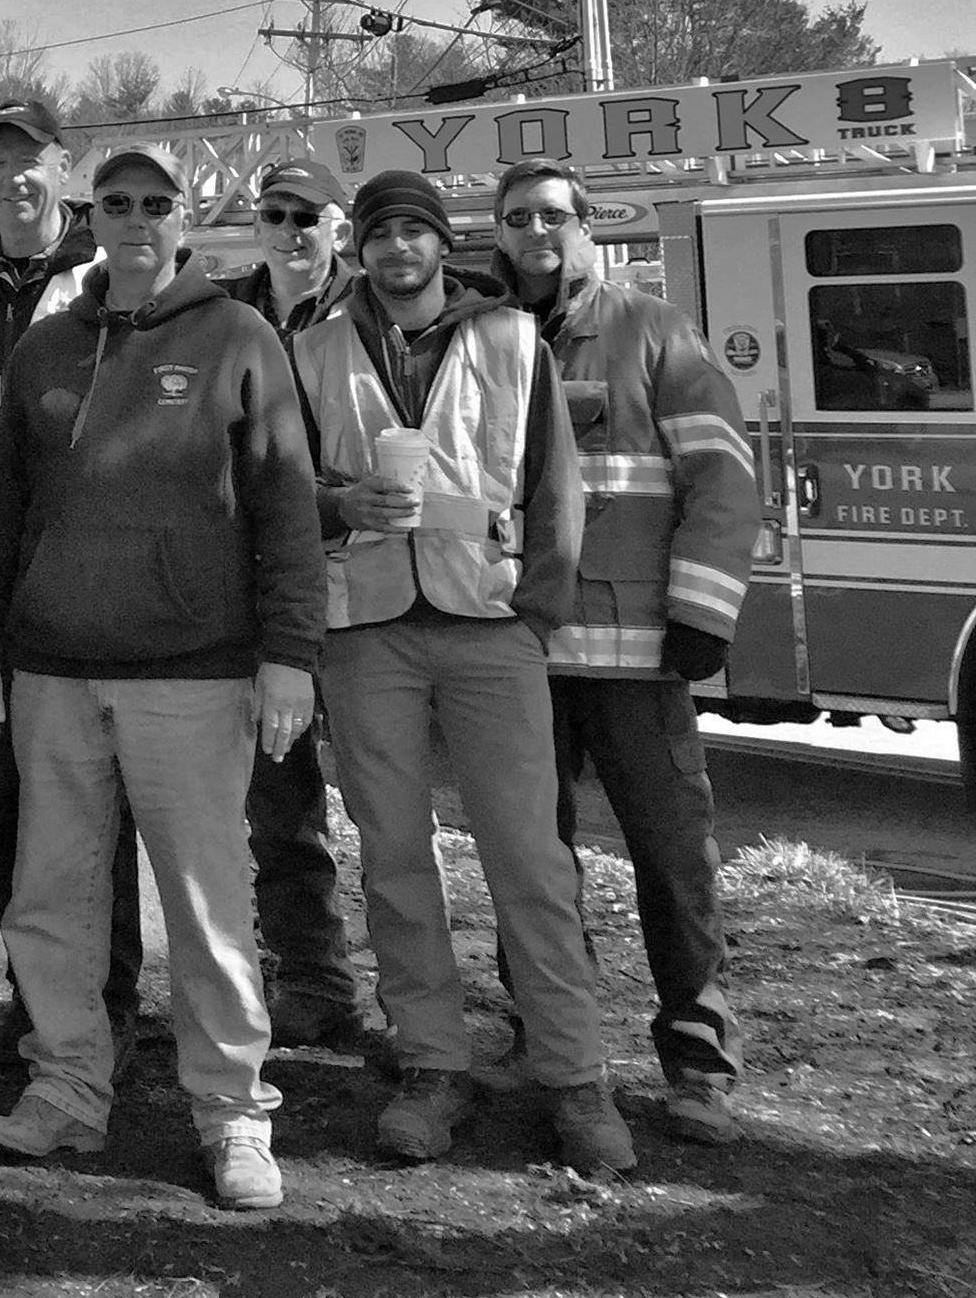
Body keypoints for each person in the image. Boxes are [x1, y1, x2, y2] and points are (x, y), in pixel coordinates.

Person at [0, 143, 324, 1209]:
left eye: (155, 203)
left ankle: (232, 1112)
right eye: (115, 202)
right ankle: (67, 1087)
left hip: (194, 679)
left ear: (184, 218)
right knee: (50, 898)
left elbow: (287, 507)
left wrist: (289, 653)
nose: (134, 219)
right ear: (92, 213)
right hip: (52, 675)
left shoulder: (238, 336)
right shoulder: (44, 350)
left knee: (208, 906)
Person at [290, 169, 637, 1175]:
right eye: (382, 232)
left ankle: (575, 1075)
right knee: (394, 853)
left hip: (490, 623)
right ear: (359, 245)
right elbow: (280, 480)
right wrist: (336, 502)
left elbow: (554, 484)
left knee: (530, 857)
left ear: (444, 245)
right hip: (367, 628)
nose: (398, 249)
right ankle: (433, 1065)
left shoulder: (509, 338)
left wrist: (539, 611)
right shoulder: (310, 347)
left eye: (417, 232)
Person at [493, 157, 758, 1145]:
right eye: (517, 216)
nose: (536, 231)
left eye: (553, 215)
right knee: (530, 859)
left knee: (673, 858)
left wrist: (703, 611)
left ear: (587, 224)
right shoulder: (485, 338)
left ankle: (696, 1060)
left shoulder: (652, 331)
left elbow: (725, 477)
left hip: (640, 658)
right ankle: (545, 1032)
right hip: (518, 651)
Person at [0, 96, 140, 1066]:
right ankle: (34, 992)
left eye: (32, 157)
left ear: (65, 166)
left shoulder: (112, 274)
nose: (15, 174)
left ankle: (116, 993)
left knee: (105, 799)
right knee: (9, 796)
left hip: (97, 576)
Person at [228, 159, 367, 1048]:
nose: (288, 231)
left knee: (386, 808)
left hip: (364, 583)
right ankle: (312, 981)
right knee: (276, 800)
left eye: (305, 216)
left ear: (338, 227)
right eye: (272, 215)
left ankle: (423, 1011)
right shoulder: (224, 315)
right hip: (256, 586)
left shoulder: (374, 311)